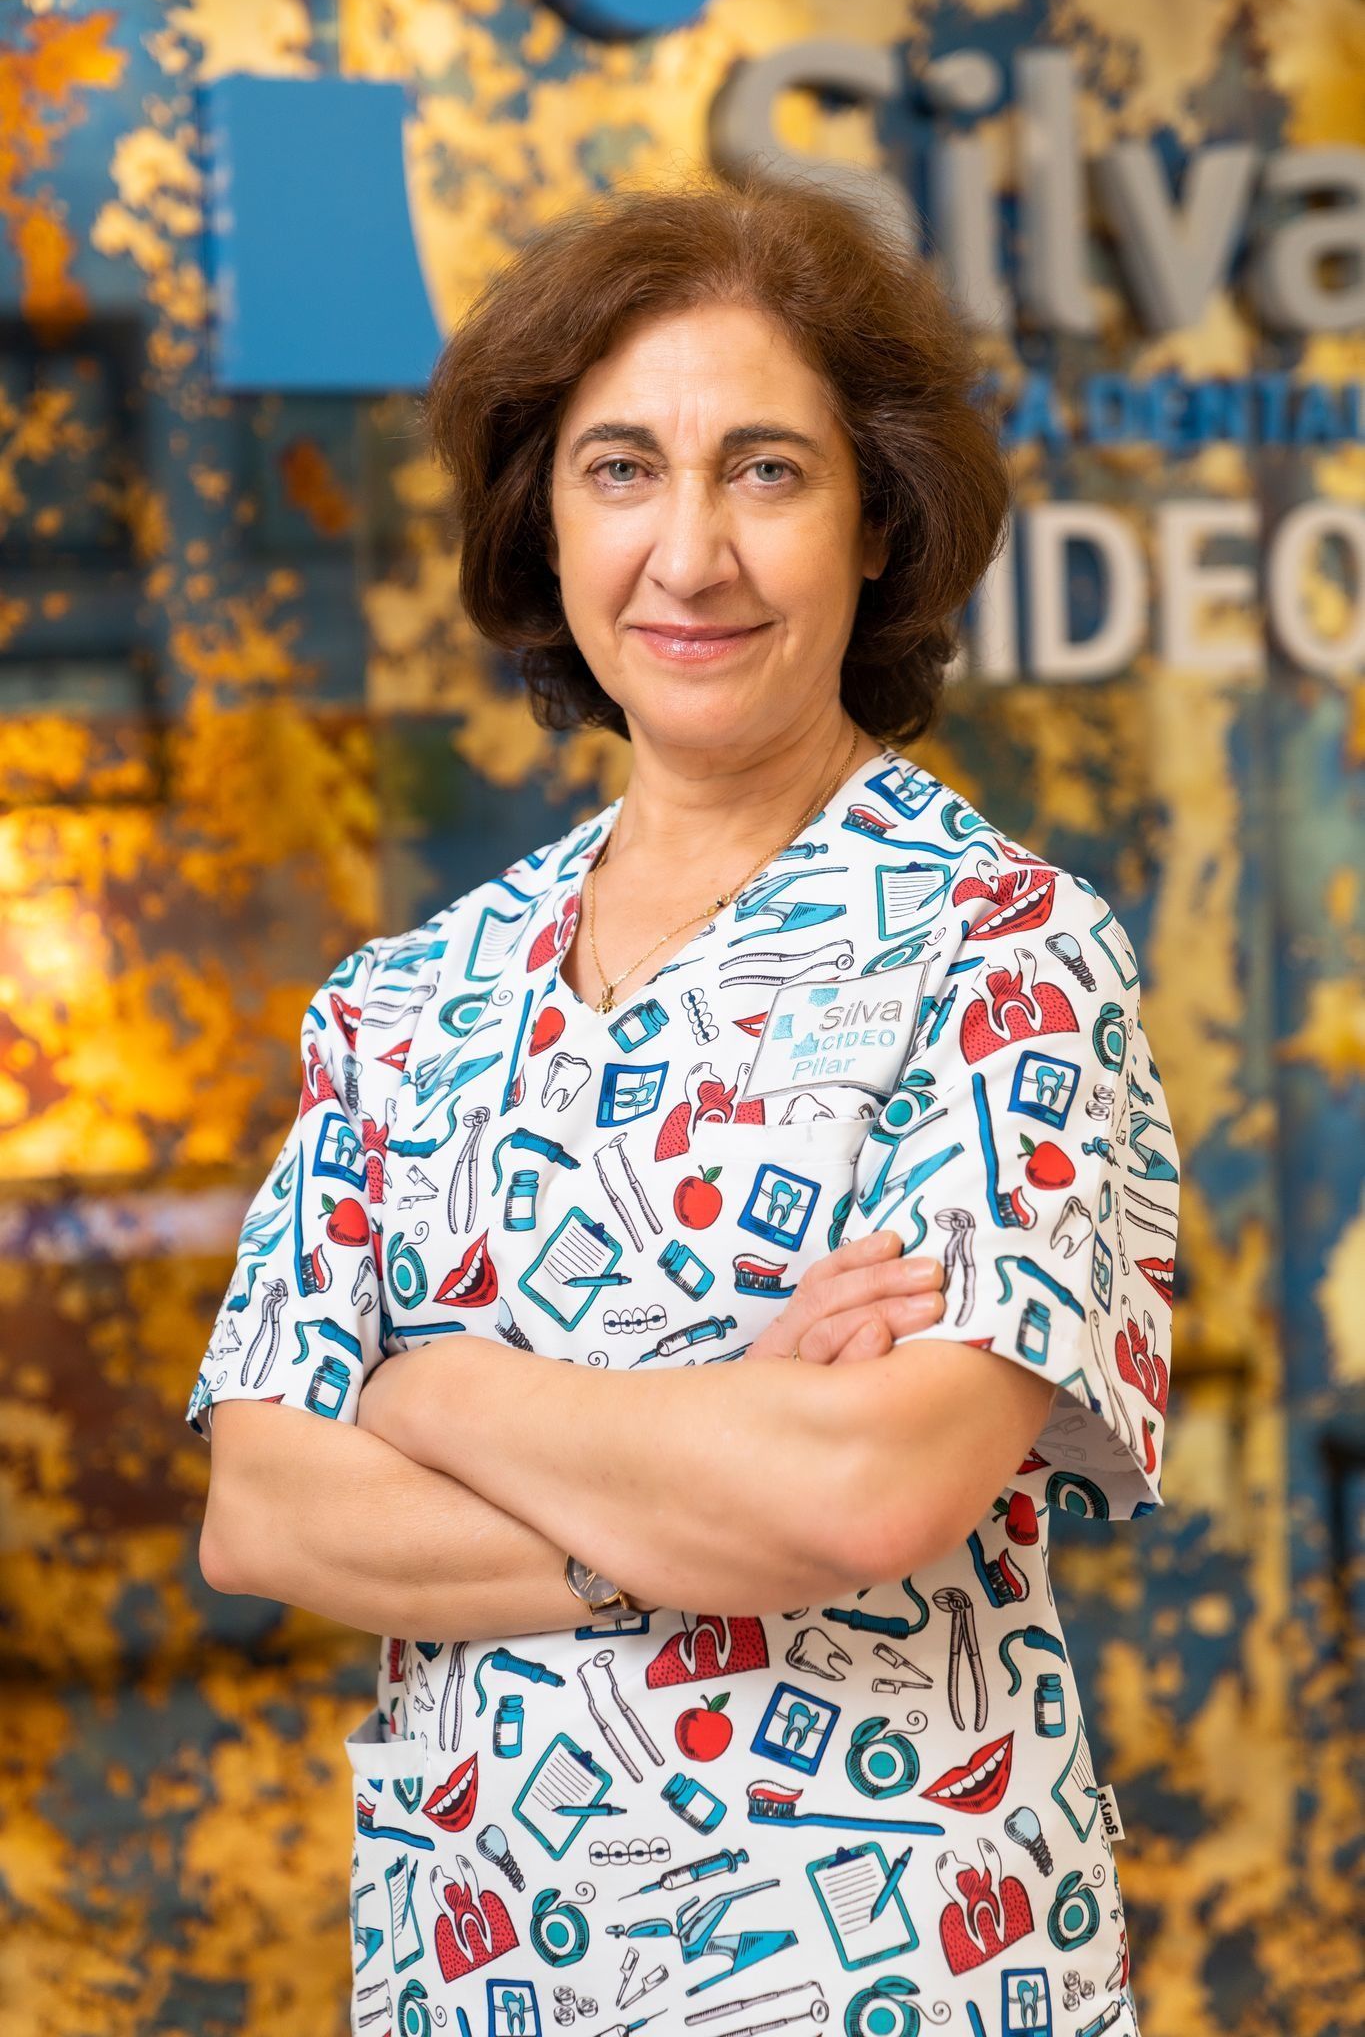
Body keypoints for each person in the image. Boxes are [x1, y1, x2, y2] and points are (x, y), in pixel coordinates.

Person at [188, 169, 1179, 2037]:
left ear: (877, 522)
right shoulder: (410, 1002)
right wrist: (703, 1452)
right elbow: (266, 1508)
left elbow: (858, 1487)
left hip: (891, 1966)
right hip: (479, 1973)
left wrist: (434, 1391)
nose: (691, 555)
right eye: (621, 470)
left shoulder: (1008, 955)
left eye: (767, 472)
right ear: (543, 526)